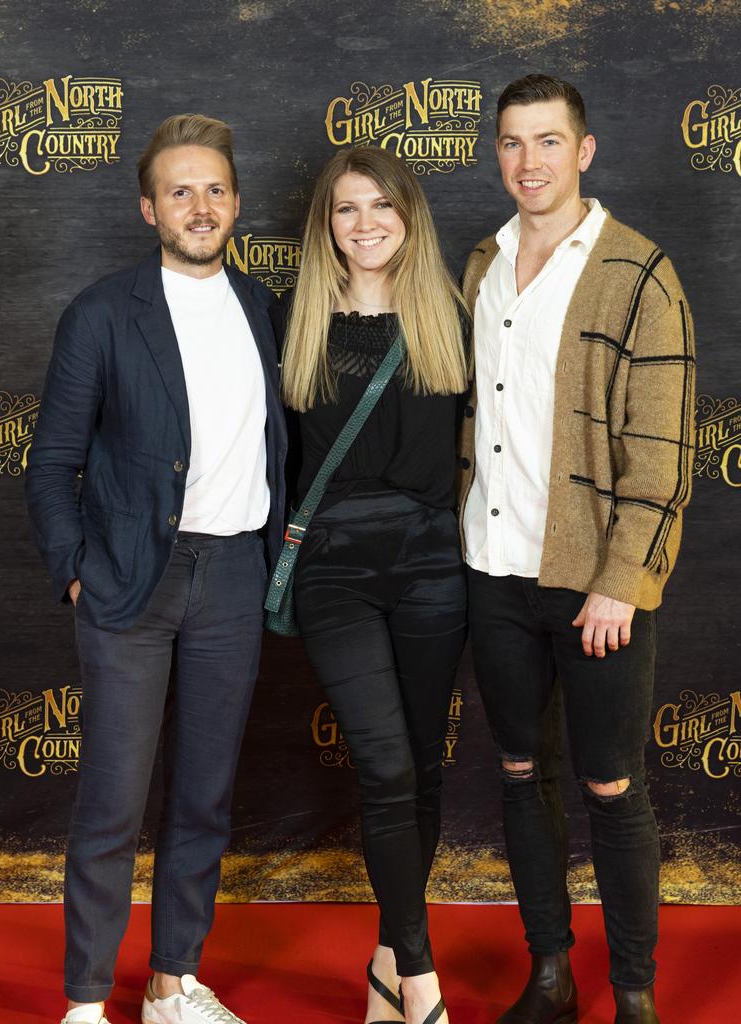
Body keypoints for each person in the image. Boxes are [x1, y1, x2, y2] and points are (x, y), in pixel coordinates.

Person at [25, 113, 286, 1024]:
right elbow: (53, 460)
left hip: (235, 580)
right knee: (111, 802)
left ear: (237, 203)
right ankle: (88, 1002)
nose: (200, 206)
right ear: (148, 209)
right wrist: (74, 569)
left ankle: (175, 983)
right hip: (131, 582)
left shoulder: (261, 307)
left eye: (215, 189)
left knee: (205, 798)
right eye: (180, 191)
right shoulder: (103, 312)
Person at [459, 74, 695, 1024]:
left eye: (549, 142)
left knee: (611, 785)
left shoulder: (639, 270)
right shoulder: (481, 262)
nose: (530, 162)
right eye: (514, 143)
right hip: (491, 571)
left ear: (584, 151)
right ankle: (550, 973)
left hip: (594, 587)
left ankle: (633, 992)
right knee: (521, 776)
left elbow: (664, 447)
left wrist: (622, 582)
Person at [281, 146, 469, 1024]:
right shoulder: (295, 326)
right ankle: (423, 984)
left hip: (436, 563)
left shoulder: (455, 320)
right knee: (387, 764)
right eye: (347, 209)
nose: (366, 224)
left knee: (423, 769)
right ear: (326, 226)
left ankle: (390, 960)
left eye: (381, 206)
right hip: (336, 570)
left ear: (408, 215)